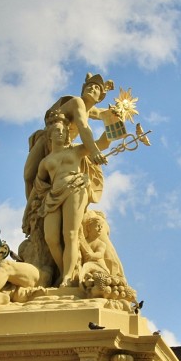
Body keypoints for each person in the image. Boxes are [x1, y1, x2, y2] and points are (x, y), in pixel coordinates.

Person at [24, 114, 112, 287]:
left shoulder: (76, 150)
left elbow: (102, 143)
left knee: (70, 233)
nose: (61, 133)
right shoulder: (45, 162)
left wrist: (113, 122)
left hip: (75, 188)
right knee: (51, 238)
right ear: (49, 135)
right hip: (53, 195)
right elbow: (37, 188)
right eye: (57, 130)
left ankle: (68, 276)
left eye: (64, 131)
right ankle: (65, 268)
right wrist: (27, 211)